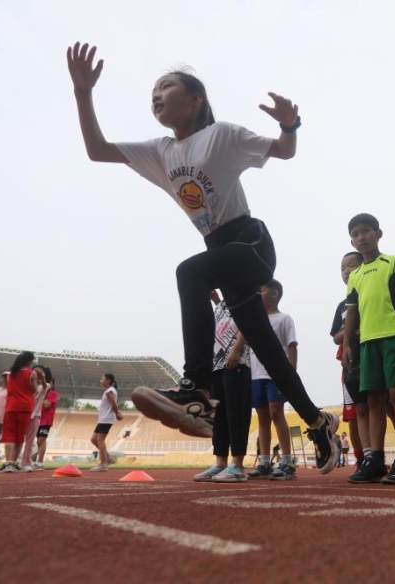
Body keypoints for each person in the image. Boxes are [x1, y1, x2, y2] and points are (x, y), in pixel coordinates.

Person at [66, 43, 338, 473]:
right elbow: (97, 149)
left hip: (249, 243)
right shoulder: (160, 151)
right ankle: (319, 422)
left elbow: (284, 151)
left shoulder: (222, 136)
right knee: (266, 348)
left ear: (195, 100)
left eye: (166, 87)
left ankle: (197, 388)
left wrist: (291, 125)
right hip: (221, 253)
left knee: (188, 271)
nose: (156, 95)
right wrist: (83, 93)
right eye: (153, 90)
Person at [343, 214, 395, 484]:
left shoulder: (393, 262)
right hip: (366, 344)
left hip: (394, 337)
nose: (361, 237)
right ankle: (375, 459)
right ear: (352, 239)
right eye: (356, 233)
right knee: (373, 399)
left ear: (378, 234)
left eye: (366, 231)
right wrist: (346, 343)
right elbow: (351, 313)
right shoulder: (355, 275)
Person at [194, 290, 253, 483]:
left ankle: (237, 464)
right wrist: (217, 301)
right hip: (217, 366)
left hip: (237, 363)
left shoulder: (245, 296)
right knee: (219, 416)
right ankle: (220, 462)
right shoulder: (221, 304)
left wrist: (236, 349)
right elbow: (222, 325)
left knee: (236, 414)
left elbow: (247, 323)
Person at [246, 280, 298, 480]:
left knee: (276, 413)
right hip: (257, 375)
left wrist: (291, 373)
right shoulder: (255, 320)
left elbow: (292, 346)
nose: (259, 294)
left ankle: (287, 461)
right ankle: (265, 461)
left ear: (275, 293)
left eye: (262, 289)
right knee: (262, 417)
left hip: (276, 374)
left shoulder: (284, 319)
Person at [330, 251, 367, 471]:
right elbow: (336, 336)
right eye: (342, 268)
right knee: (354, 415)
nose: (346, 272)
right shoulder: (342, 305)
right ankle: (362, 459)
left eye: (350, 266)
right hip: (349, 366)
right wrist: (349, 330)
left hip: (371, 358)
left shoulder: (371, 295)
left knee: (382, 407)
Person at [0, 352, 39, 473]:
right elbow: (35, 390)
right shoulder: (31, 373)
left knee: (9, 436)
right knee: (19, 436)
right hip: (25, 407)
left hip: (11, 406)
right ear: (29, 361)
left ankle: (8, 463)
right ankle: (14, 462)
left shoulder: (10, 374)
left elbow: (8, 388)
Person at [20, 366, 50, 472]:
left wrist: (42, 378)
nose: (38, 374)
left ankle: (26, 462)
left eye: (40, 372)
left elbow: (45, 385)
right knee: (19, 439)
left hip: (35, 416)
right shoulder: (27, 386)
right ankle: (15, 461)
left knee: (29, 441)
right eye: (36, 372)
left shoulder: (44, 386)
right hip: (24, 414)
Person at [90, 373, 123, 472]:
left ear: (108, 381)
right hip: (103, 419)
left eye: (102, 378)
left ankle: (103, 464)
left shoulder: (109, 391)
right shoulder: (108, 391)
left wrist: (117, 413)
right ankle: (108, 458)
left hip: (106, 419)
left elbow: (113, 402)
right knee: (93, 439)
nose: (100, 380)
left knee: (100, 440)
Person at [35, 368, 59, 470]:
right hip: (38, 420)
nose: (49, 385)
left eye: (51, 383)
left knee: (41, 440)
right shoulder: (41, 392)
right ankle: (35, 460)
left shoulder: (53, 394)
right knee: (38, 441)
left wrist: (42, 398)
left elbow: (46, 405)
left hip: (46, 421)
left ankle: (40, 461)